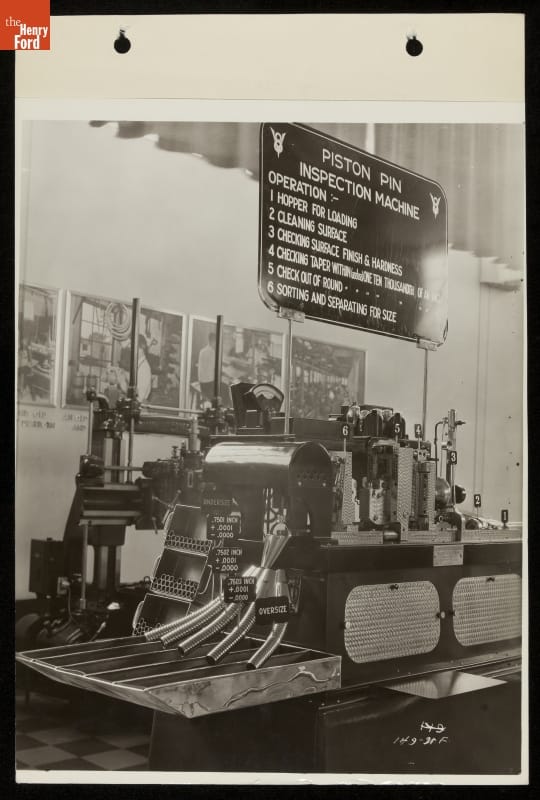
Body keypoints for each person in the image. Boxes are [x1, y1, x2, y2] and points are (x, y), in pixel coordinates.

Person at [197, 331, 216, 403]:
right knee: (223, 388)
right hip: (207, 383)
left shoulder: (202, 351)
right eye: (215, 341)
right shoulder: (212, 352)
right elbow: (214, 368)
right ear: (213, 341)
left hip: (201, 382)